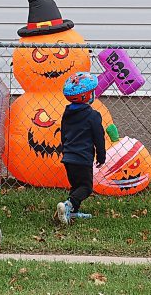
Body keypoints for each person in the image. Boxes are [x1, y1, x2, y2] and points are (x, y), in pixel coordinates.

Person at [57, 72, 106, 225]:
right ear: (86, 96)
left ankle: (72, 213)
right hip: (83, 158)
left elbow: (63, 133)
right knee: (85, 187)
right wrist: (101, 157)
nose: (94, 94)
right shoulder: (93, 116)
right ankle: (68, 205)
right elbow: (99, 137)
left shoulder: (67, 113)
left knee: (76, 185)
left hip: (68, 157)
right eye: (92, 92)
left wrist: (65, 150)